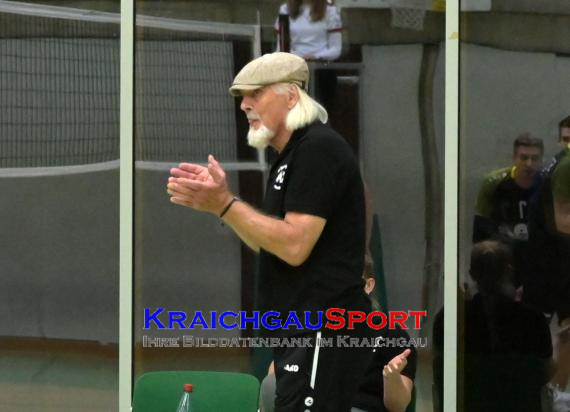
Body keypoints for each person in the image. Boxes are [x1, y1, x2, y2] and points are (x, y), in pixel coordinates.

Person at [167, 52, 372, 411]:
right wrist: (222, 208)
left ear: (291, 96)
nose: (245, 105)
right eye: (242, 97)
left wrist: (225, 204)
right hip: (300, 333)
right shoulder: (288, 157)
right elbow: (271, 243)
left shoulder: (318, 149)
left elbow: (294, 245)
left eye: (256, 93)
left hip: (322, 330)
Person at [260, 255, 417, 412]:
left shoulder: (392, 335)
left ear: (368, 286)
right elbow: (274, 377)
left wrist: (391, 376)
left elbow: (398, 406)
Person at [434, 241, 553, 412]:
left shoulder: (449, 319)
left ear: (472, 274)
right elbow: (543, 372)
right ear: (508, 271)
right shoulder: (533, 321)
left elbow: (440, 372)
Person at [522, 132, 570, 410]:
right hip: (551, 261)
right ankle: (555, 388)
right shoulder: (565, 167)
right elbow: (563, 221)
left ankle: (556, 387)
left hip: (556, 257)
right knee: (553, 331)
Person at [472, 133, 544, 288]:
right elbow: (480, 229)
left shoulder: (548, 182)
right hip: (503, 260)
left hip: (539, 259)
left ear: (541, 159)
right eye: (524, 158)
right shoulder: (494, 182)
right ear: (514, 157)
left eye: (534, 158)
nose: (529, 163)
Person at [274, 0, 342, 114]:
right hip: (293, 69)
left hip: (321, 71)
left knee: (320, 115)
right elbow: (280, 47)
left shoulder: (330, 10)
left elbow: (336, 49)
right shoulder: (285, 9)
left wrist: (316, 56)